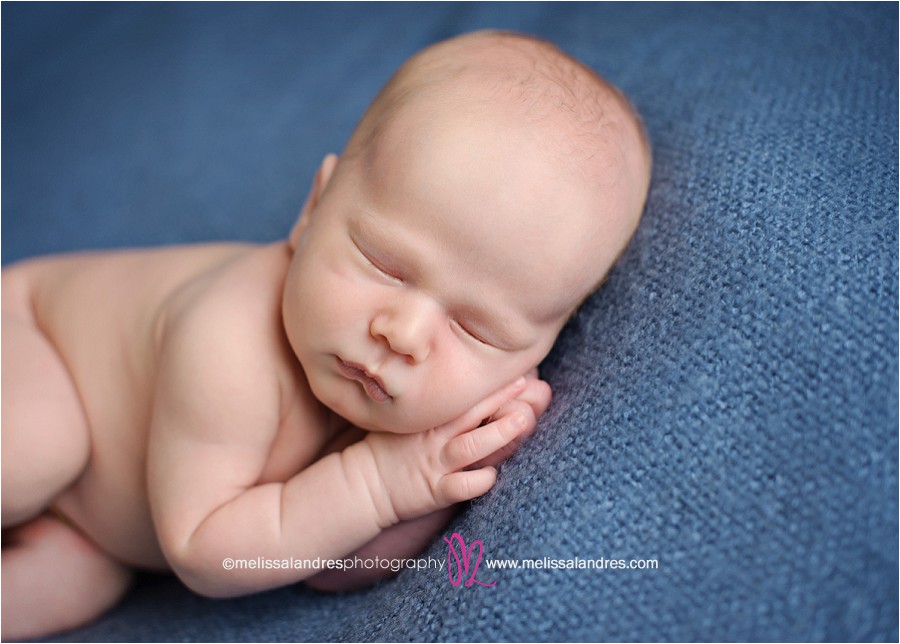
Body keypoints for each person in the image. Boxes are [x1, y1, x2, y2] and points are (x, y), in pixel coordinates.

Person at [1, 29, 651, 639]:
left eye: (477, 329)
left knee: (78, 584)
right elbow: (203, 549)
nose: (402, 334)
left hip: (89, 525)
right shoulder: (229, 342)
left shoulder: (409, 402)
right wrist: (377, 483)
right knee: (35, 444)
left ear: (535, 354)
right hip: (29, 335)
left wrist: (437, 479)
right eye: (384, 264)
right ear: (312, 212)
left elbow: (328, 566)